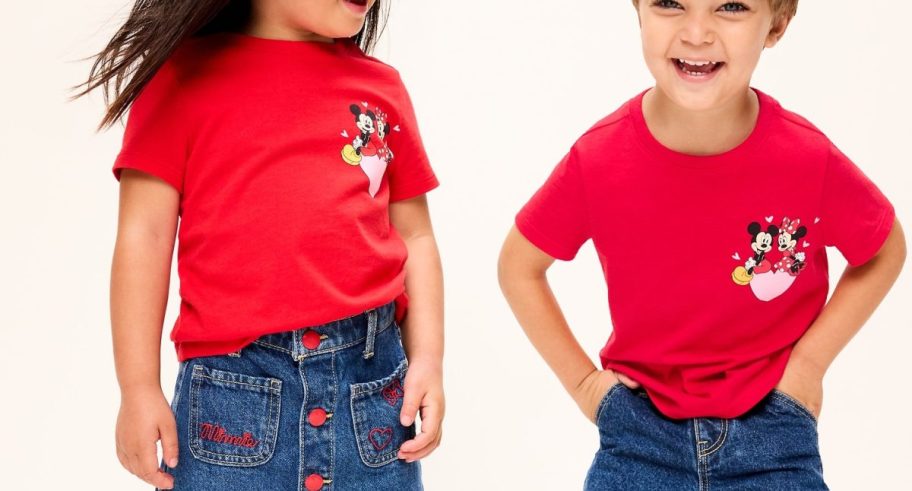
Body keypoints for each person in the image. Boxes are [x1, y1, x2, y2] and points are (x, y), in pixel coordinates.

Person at [498, 1, 905, 489]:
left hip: (774, 439)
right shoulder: (599, 158)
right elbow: (519, 265)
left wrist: (809, 365)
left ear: (776, 24)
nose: (696, 33)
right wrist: (586, 386)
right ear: (638, 10)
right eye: (670, 3)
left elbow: (884, 249)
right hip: (638, 440)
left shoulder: (807, 158)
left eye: (731, 6)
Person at [75, 1, 444, 489]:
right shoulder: (181, 79)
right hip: (232, 399)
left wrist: (428, 359)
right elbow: (144, 236)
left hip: (372, 389)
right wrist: (138, 387)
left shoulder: (381, 88)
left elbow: (415, 235)